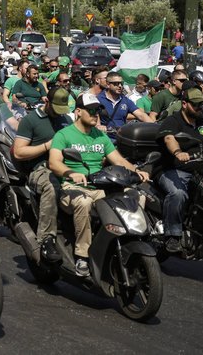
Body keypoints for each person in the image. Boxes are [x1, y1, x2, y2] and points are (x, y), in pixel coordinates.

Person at [49, 93, 149, 276]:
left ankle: (130, 241)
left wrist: (136, 171)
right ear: (78, 112)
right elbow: (54, 162)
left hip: (100, 186)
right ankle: (82, 256)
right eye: (92, 111)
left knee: (136, 196)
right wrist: (71, 173)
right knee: (84, 203)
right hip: (73, 189)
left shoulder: (100, 136)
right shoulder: (63, 135)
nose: (96, 114)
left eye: (98, 110)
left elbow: (118, 159)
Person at [157, 87, 203, 252]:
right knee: (178, 193)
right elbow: (169, 138)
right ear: (184, 104)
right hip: (173, 169)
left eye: (202, 105)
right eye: (196, 105)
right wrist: (178, 152)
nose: (200, 108)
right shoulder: (173, 121)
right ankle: (172, 235)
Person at [13, 87, 73, 263]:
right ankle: (47, 239)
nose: (59, 114)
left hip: (66, 166)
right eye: (56, 109)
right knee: (51, 186)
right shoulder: (30, 120)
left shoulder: (66, 120)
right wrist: (47, 146)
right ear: (46, 101)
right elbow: (18, 152)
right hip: (41, 169)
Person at [97, 71, 153, 141]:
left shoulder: (125, 100)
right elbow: (94, 120)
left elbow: (141, 115)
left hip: (121, 139)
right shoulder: (98, 99)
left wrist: (154, 126)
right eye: (116, 84)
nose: (120, 86)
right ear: (108, 84)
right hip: (104, 139)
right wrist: (99, 126)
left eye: (121, 83)